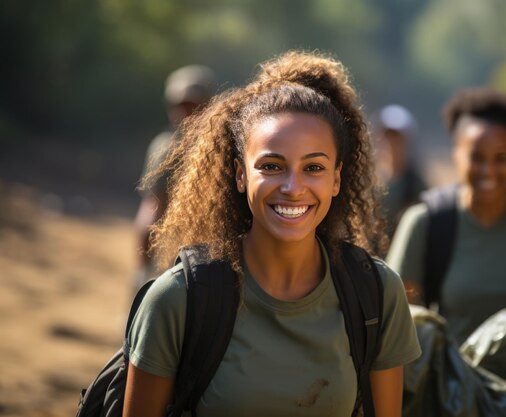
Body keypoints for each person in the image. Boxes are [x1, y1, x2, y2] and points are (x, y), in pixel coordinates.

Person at [123, 51, 420, 417]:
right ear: (240, 174)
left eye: (313, 167)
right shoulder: (177, 300)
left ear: (337, 179)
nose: (293, 187)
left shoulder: (376, 295)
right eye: (271, 166)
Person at [386, 87, 506, 343]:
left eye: (500, 158)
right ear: (456, 155)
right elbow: (397, 324)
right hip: (452, 381)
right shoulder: (425, 222)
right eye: (476, 157)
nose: (488, 171)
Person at [133, 65, 216, 291]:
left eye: (193, 107)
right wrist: (144, 267)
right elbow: (152, 209)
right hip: (174, 259)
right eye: (182, 106)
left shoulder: (220, 147)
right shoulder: (167, 147)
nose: (186, 114)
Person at [371, 105, 427, 241]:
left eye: (396, 138)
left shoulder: (415, 184)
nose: (390, 143)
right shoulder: (367, 182)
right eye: (387, 137)